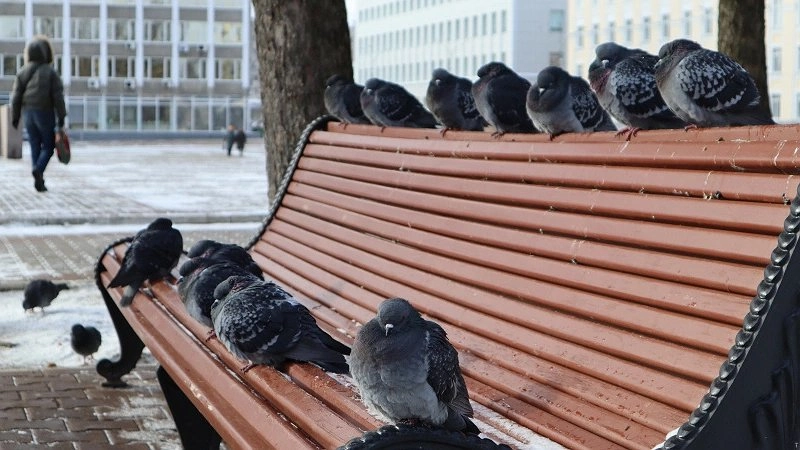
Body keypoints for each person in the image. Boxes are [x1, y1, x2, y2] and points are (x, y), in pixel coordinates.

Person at [11, 35, 67, 193]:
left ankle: (39, 179)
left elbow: (16, 96)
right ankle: (39, 170)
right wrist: (61, 117)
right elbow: (58, 96)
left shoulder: (23, 72)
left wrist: (15, 117)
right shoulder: (50, 72)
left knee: (35, 145)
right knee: (48, 146)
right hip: (45, 112)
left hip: (28, 113)